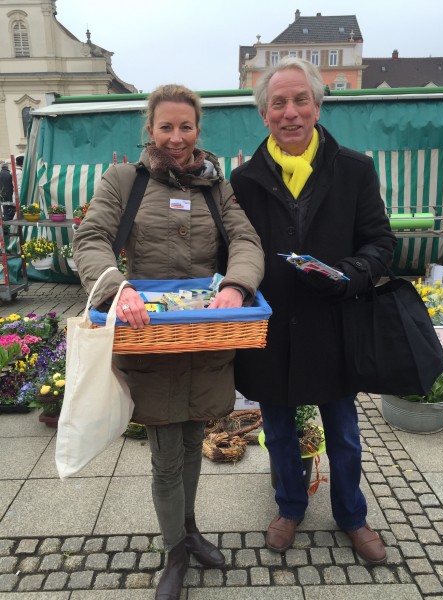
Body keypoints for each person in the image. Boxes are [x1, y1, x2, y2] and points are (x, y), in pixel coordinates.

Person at [73, 83, 264, 600]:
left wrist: (235, 284)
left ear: (198, 130)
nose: (176, 138)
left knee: (192, 439)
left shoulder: (217, 187)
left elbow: (245, 239)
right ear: (150, 130)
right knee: (165, 454)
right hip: (148, 334)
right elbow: (89, 239)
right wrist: (119, 288)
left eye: (186, 127)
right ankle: (174, 553)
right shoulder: (123, 180)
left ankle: (191, 529)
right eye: (166, 127)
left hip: (203, 337)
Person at [230, 58, 396, 565]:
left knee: (343, 431)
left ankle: (352, 515)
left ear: (318, 105)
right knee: (277, 428)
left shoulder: (354, 169)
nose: (290, 112)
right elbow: (233, 247)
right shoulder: (243, 179)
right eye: (278, 103)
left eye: (301, 99)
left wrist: (348, 272)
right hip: (272, 328)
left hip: (333, 323)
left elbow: (380, 242)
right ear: (264, 115)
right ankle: (289, 506)